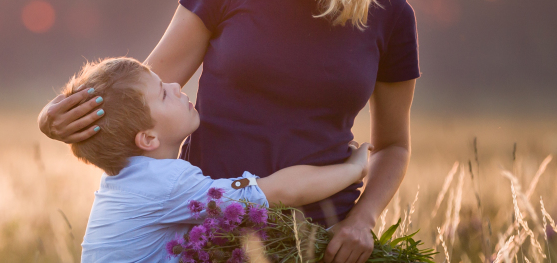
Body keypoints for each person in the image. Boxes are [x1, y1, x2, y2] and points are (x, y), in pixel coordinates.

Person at [38, 0, 418, 263]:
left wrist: (362, 220)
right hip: (211, 235)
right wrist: (54, 115)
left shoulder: (391, 16)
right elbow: (141, 97)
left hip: (320, 242)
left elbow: (392, 147)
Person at [61, 57, 371, 262]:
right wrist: (352, 169)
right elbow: (279, 191)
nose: (176, 86)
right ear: (148, 138)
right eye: (164, 94)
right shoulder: (167, 183)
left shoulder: (125, 179)